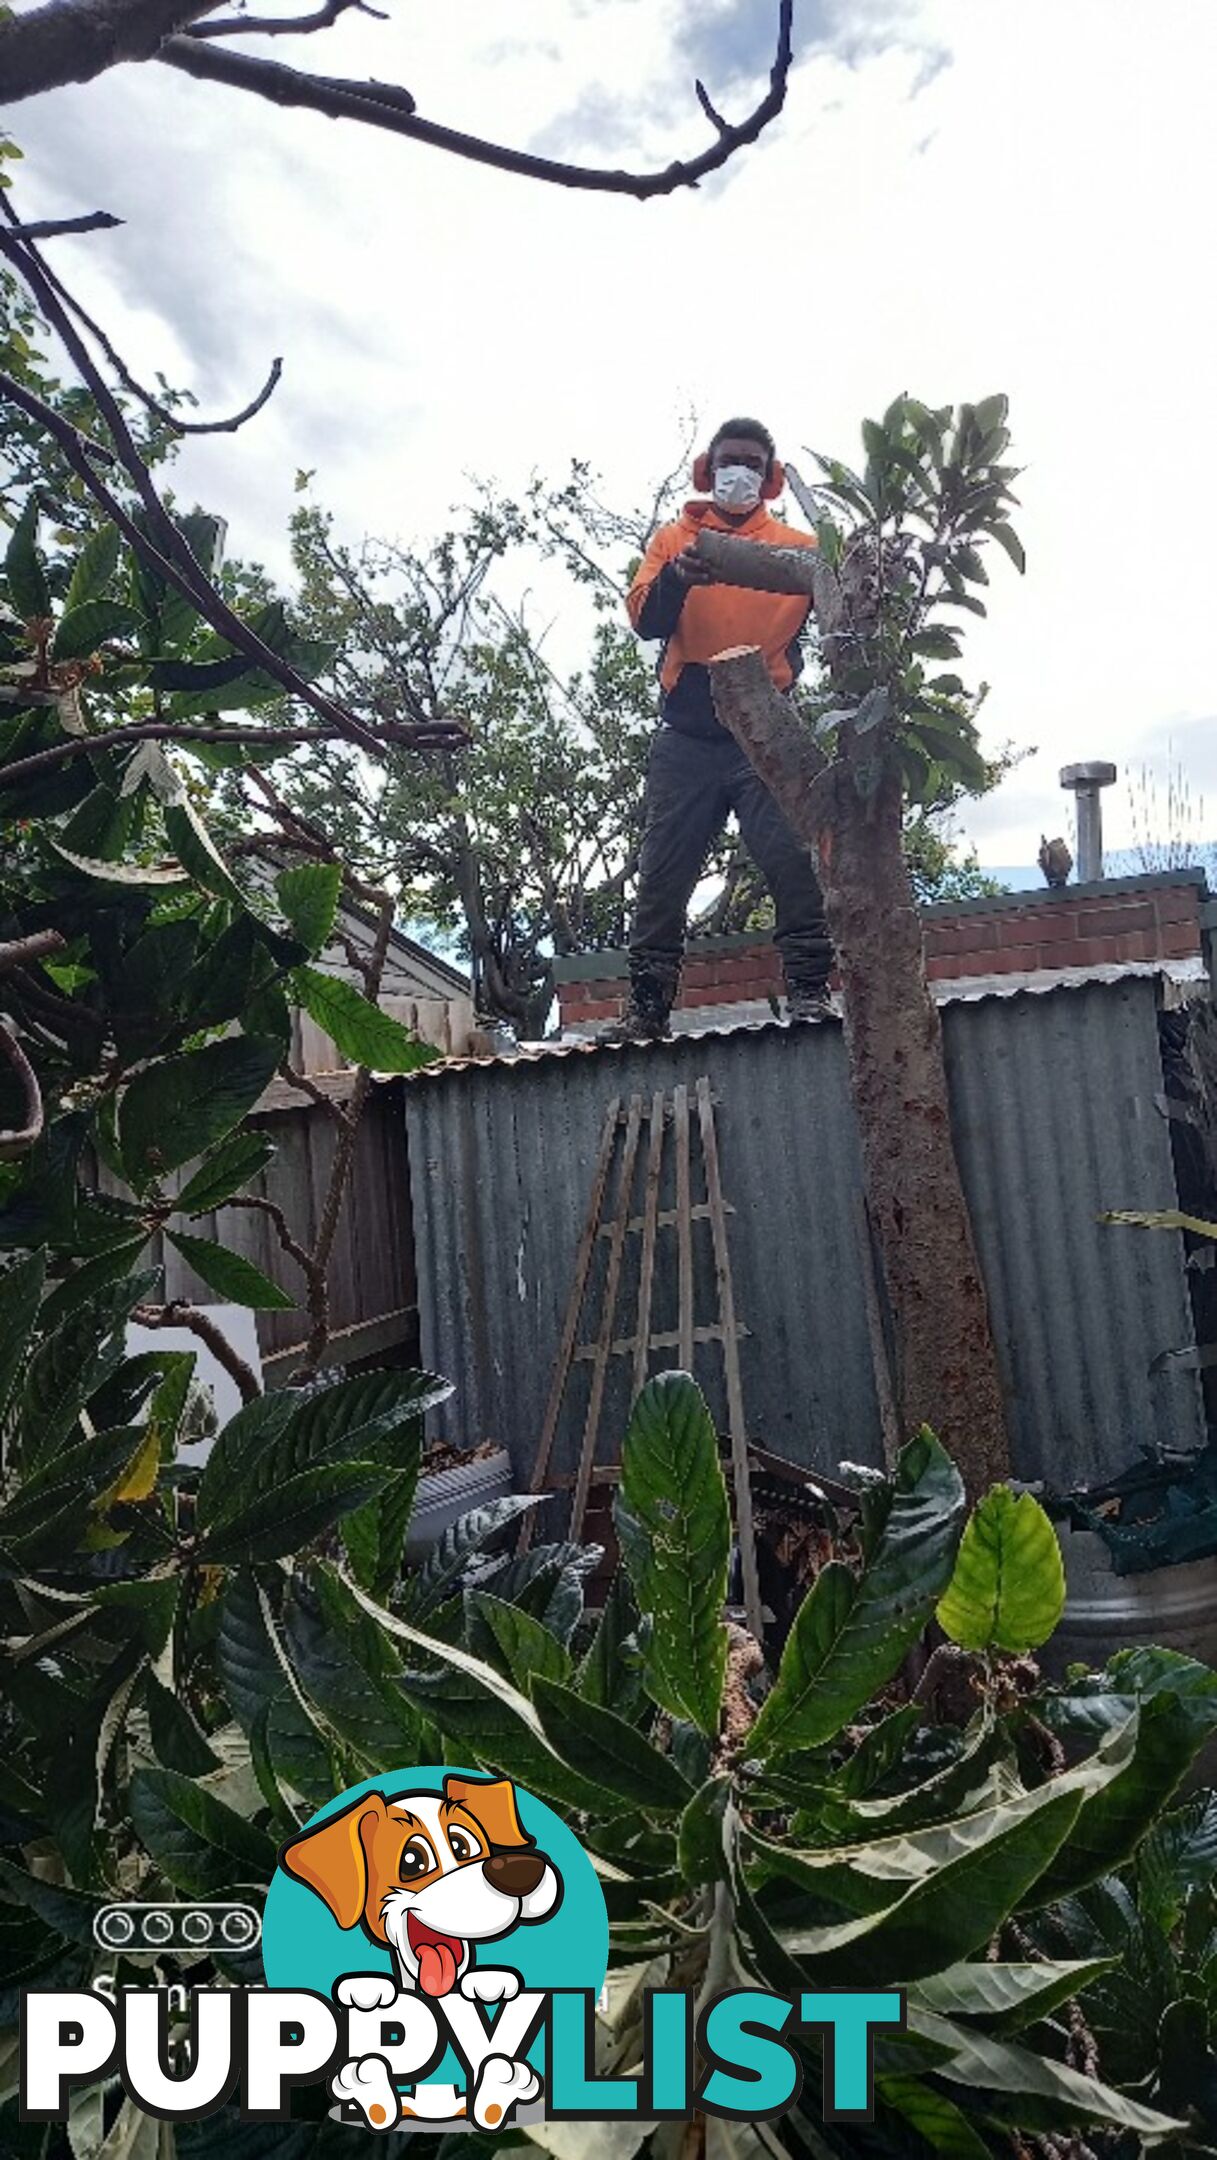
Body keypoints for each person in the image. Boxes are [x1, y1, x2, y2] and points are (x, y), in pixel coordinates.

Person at [615, 416, 834, 1042]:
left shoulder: (800, 550)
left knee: (792, 861)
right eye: (727, 460)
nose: (738, 471)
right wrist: (681, 577)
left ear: (768, 479)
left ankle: (811, 993)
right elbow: (647, 623)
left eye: (752, 463)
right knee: (662, 874)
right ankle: (647, 1009)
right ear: (709, 472)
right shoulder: (674, 541)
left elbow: (843, 608)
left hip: (765, 731)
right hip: (686, 735)